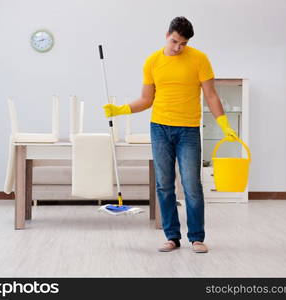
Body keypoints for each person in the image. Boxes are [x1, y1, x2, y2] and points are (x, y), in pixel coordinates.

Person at [102, 16, 238, 253]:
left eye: (183, 44)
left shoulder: (199, 59)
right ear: (167, 35)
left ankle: (196, 237)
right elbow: (146, 100)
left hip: (188, 130)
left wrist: (224, 123)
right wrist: (121, 110)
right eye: (175, 41)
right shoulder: (152, 62)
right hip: (160, 129)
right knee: (164, 185)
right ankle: (172, 237)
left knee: (191, 185)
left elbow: (211, 96)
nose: (178, 48)